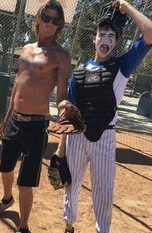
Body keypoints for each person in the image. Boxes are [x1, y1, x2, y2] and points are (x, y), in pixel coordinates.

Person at [53, 1, 152, 233]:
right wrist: (60, 148)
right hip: (77, 136)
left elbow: (149, 34)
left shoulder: (122, 65)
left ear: (116, 42)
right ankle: (69, 226)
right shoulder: (78, 72)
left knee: (104, 191)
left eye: (111, 36)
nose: (105, 40)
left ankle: (102, 230)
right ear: (94, 38)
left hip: (105, 137)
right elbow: (68, 112)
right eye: (101, 34)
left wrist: (126, 7)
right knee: (71, 184)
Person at [0, 1, 71, 232]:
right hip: (15, 121)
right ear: (39, 19)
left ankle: (23, 226)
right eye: (47, 18)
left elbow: (62, 93)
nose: (50, 24)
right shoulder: (25, 48)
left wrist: (65, 115)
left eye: (56, 20)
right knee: (5, 169)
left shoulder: (61, 55)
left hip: (37, 126)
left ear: (59, 25)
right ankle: (6, 199)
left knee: (26, 181)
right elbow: (18, 85)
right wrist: (6, 119)